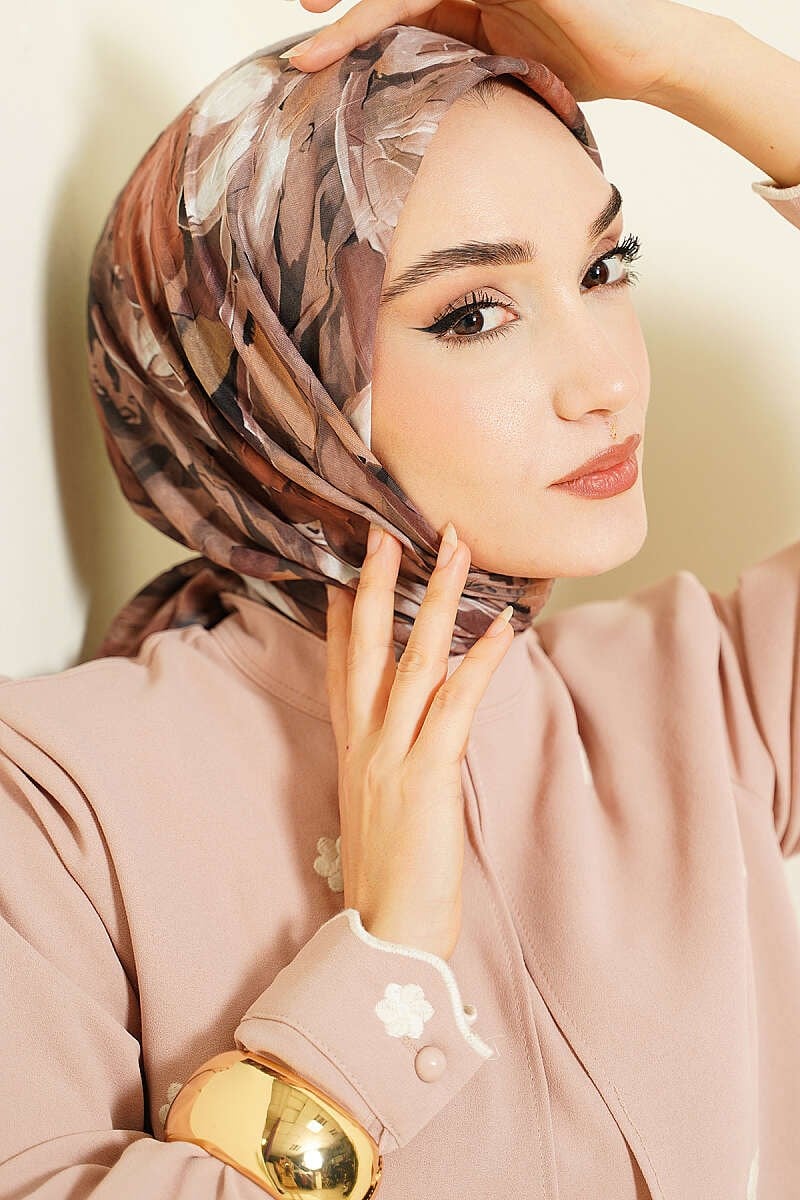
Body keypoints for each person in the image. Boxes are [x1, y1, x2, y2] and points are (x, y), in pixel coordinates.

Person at [1, 0, 799, 1195]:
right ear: (275, 379)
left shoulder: (708, 691)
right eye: (473, 313)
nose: (604, 380)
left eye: (602, 267)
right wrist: (383, 970)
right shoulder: (52, 806)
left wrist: (686, 60)